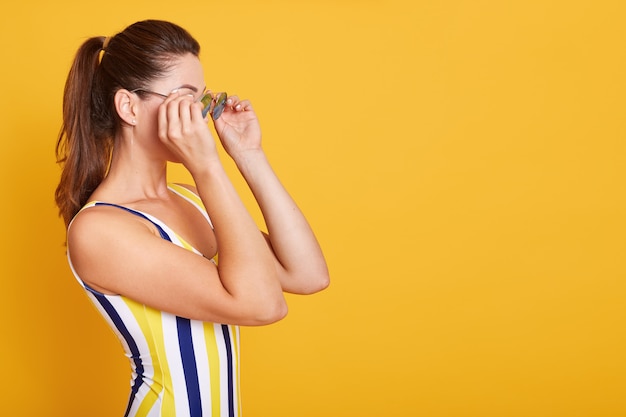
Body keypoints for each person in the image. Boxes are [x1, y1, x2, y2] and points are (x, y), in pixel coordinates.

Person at [55, 19, 329, 417]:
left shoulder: (190, 199)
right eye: (185, 101)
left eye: (203, 102)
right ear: (129, 107)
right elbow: (263, 305)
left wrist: (248, 155)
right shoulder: (100, 230)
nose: (200, 118)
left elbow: (307, 275)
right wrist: (207, 165)